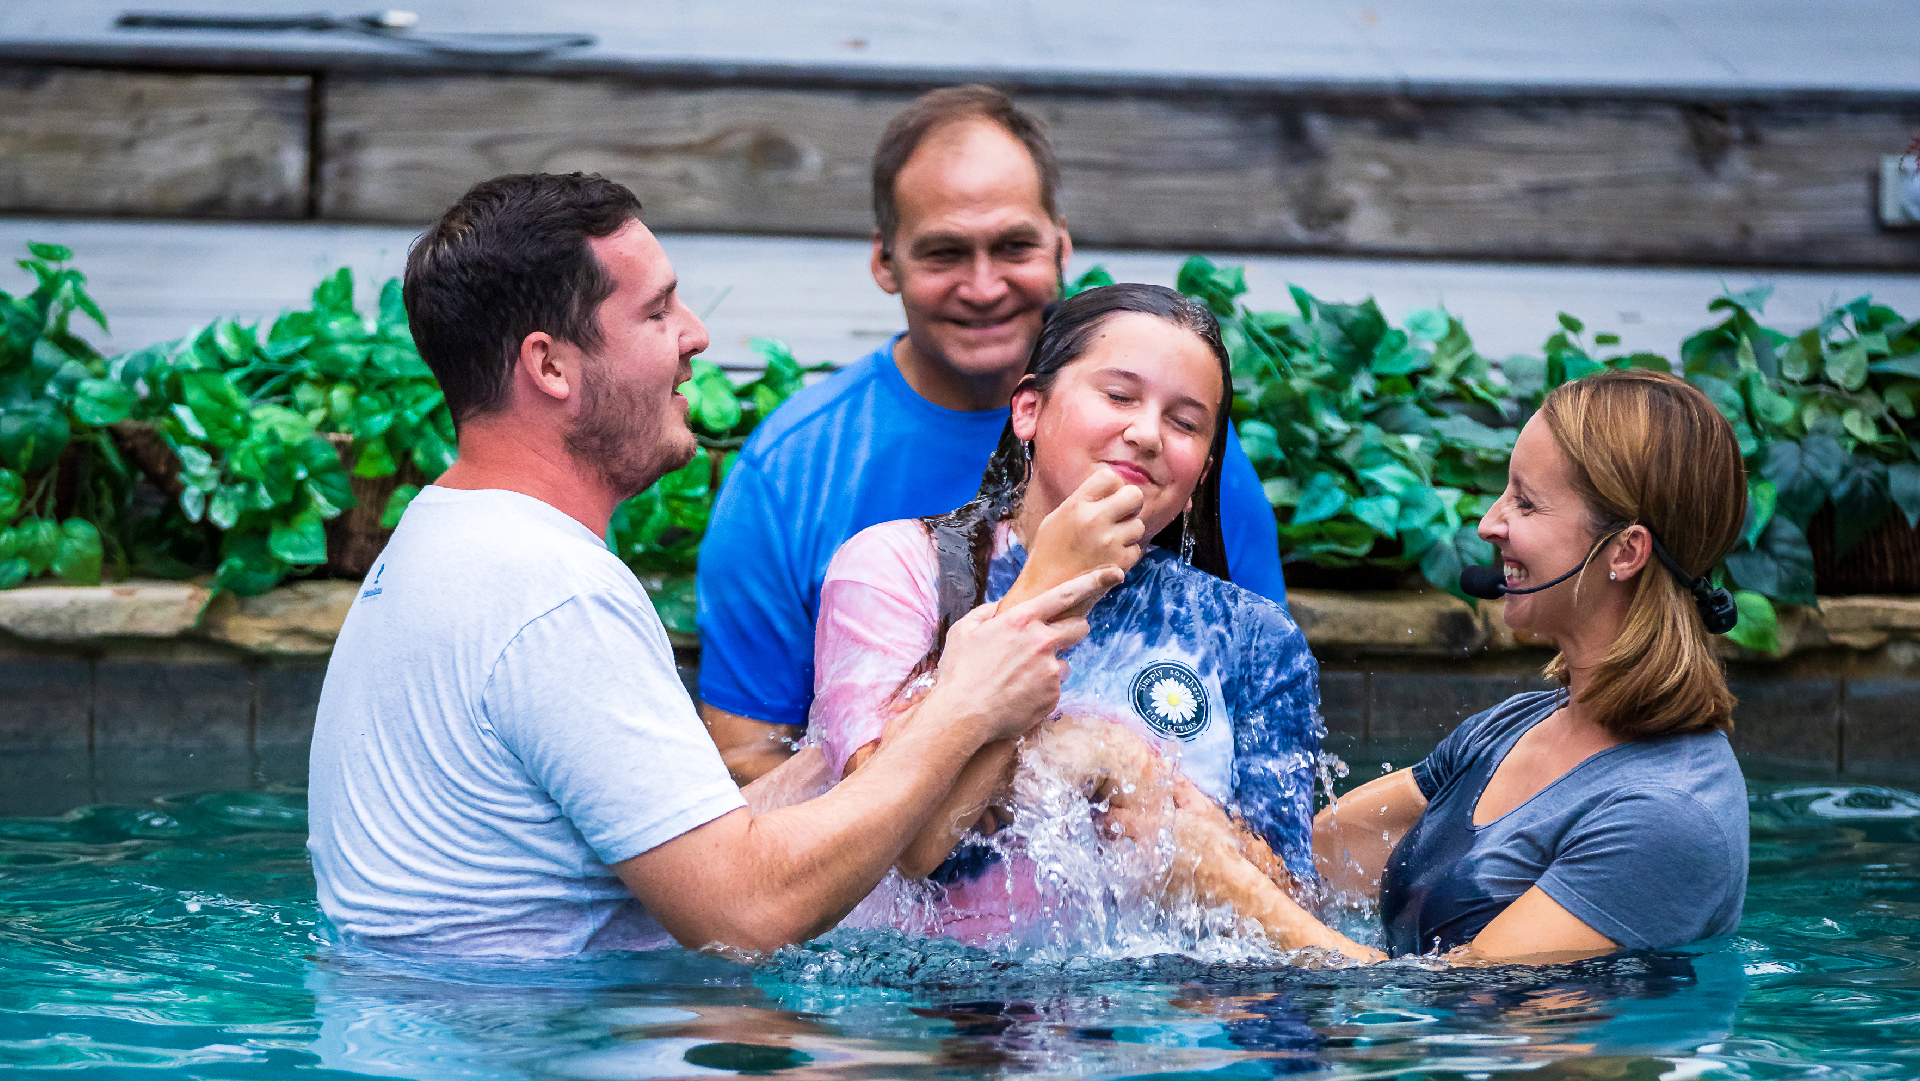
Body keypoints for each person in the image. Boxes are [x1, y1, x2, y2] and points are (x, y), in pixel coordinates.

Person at [306, 172, 1119, 958]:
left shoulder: (456, 540)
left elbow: (693, 848)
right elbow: (748, 912)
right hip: (530, 1043)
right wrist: (967, 710)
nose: (696, 334)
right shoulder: (553, 597)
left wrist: (867, 729)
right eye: (657, 312)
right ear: (550, 366)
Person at [696, 85, 1288, 784]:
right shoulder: (793, 469)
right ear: (886, 262)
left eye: (1013, 247)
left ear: (1060, 245)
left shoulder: (1165, 456)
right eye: (945, 253)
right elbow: (746, 764)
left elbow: (1260, 736)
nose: (983, 287)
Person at [806, 284, 1361, 956]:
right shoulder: (895, 570)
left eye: (1185, 423)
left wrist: (1138, 778)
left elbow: (1286, 899)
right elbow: (904, 844)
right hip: (919, 1027)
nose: (1148, 433)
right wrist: (1050, 586)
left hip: (1156, 1036)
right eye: (1119, 396)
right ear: (1029, 408)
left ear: (1203, 468)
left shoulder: (1251, 639)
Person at [1311, 368, 1751, 962]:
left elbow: (1459, 1002)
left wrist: (1226, 882)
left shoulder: (1668, 815)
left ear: (1624, 551)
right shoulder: (1514, 727)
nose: (1489, 524)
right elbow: (1307, 860)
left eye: (1525, 502)